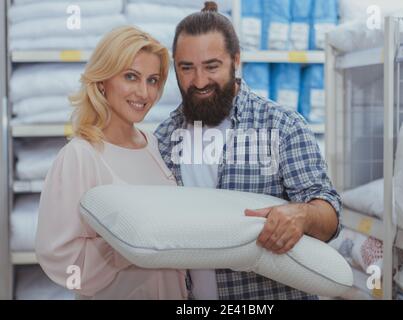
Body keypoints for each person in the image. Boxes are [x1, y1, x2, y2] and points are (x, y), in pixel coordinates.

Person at [154, 2, 342, 300]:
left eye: (212, 66)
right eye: (186, 68)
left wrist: (303, 215)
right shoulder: (163, 139)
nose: (199, 81)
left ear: (236, 60)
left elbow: (330, 217)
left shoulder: (282, 126)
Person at [35, 26, 188, 300]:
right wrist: (127, 247)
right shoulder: (80, 156)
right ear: (103, 80)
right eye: (131, 77)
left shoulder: (155, 145)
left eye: (153, 80)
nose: (144, 92)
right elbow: (59, 258)